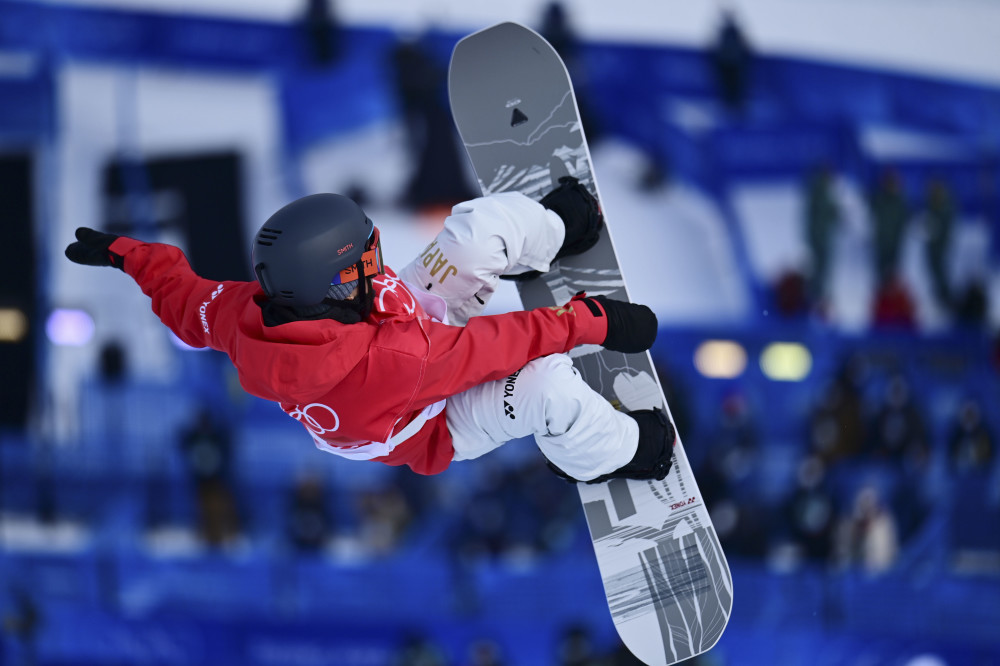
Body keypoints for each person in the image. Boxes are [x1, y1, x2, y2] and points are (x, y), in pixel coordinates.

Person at [65, 178, 674, 484]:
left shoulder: (249, 311)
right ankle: (620, 451)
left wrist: (128, 256)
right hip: (430, 423)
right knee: (547, 387)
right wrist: (591, 322)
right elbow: (492, 349)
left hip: (393, 330)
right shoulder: (390, 362)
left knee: (477, 226)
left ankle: (553, 235)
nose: (379, 260)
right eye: (366, 258)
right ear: (337, 282)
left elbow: (185, 299)